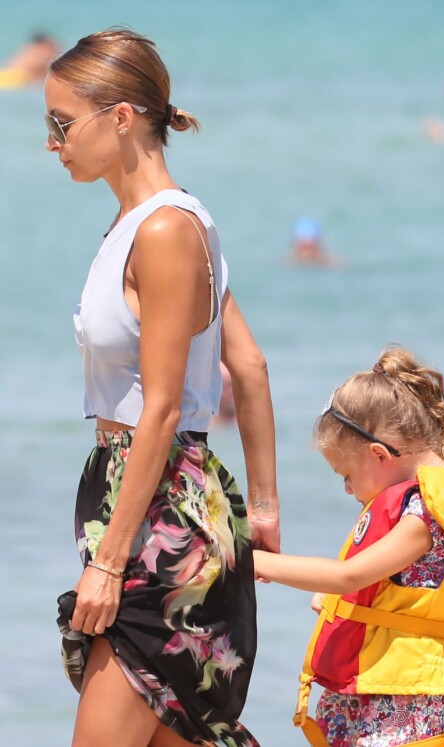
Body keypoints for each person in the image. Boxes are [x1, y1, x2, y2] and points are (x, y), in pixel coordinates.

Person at [44, 29, 280, 747]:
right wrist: (262, 507)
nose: (52, 143)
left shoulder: (166, 230)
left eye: (61, 124)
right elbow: (250, 365)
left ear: (120, 117)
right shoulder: (159, 224)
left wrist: (111, 561)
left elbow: (165, 404)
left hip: (159, 520)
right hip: (153, 500)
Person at [254, 345, 444, 747]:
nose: (346, 488)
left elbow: (350, 575)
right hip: (384, 691)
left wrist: (251, 560)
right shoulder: (420, 502)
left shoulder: (426, 514)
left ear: (378, 455)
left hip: (405, 702)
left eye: (345, 474)